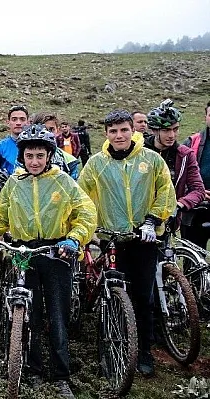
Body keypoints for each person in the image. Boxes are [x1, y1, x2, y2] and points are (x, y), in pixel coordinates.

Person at [0, 124, 96, 399]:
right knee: (32, 315)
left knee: (58, 315)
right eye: (30, 156)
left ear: (49, 155)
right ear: (22, 157)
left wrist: (75, 238)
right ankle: (33, 369)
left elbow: (85, 211)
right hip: (23, 253)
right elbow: (0, 213)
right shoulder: (14, 183)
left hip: (57, 253)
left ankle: (61, 375)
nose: (35, 161)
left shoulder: (63, 181)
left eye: (40, 155)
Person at [78, 109, 175, 377]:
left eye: (123, 130)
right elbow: (80, 196)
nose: (119, 135)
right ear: (106, 134)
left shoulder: (152, 160)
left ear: (133, 130)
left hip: (143, 238)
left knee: (144, 297)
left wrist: (152, 220)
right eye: (113, 131)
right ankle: (112, 347)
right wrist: (88, 227)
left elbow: (166, 191)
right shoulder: (96, 164)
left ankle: (143, 349)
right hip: (111, 239)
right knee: (113, 294)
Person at [144, 100, 204, 230]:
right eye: (166, 130)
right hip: (138, 218)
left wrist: (179, 205)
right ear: (154, 130)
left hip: (167, 222)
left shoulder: (185, 155)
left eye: (175, 129)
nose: (172, 135)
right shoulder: (139, 152)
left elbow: (198, 190)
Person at [183, 101, 210, 248]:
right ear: (205, 116)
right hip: (194, 212)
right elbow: (178, 175)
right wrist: (197, 193)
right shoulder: (191, 142)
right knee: (192, 261)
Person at [31, 112, 80, 180]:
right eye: (43, 130)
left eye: (51, 130)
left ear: (58, 130)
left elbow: (73, 188)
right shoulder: (24, 158)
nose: (47, 133)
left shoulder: (70, 161)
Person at [0, 105, 29, 180]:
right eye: (14, 119)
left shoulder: (36, 144)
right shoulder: (0, 147)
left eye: (22, 119)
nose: (18, 123)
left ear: (28, 122)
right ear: (8, 122)